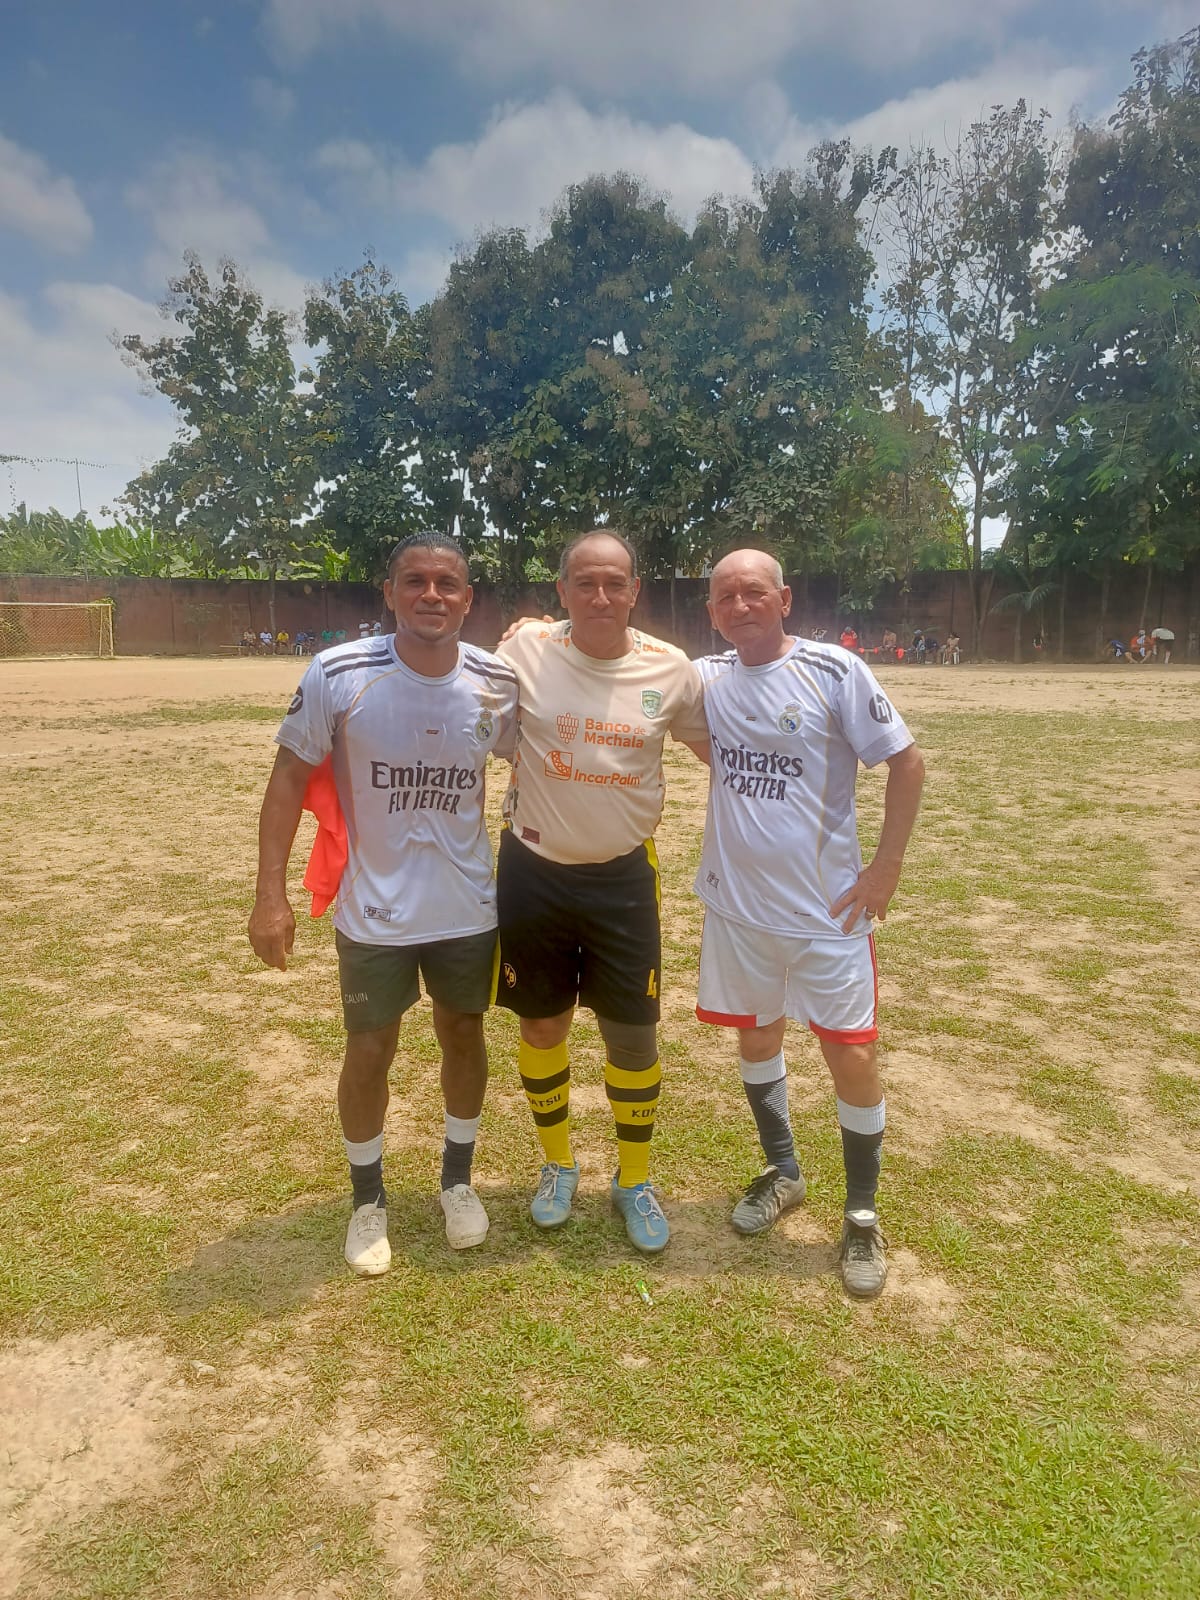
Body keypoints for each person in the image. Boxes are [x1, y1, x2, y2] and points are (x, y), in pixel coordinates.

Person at [248, 533, 518, 1275]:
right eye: (415, 581)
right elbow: (287, 779)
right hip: (373, 908)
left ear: (468, 598)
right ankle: (368, 1201)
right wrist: (270, 895)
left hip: (467, 905)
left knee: (463, 1034)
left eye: (447, 583)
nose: (432, 594)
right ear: (389, 592)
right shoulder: (340, 673)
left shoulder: (498, 681)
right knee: (370, 1049)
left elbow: (544, 751)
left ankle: (457, 1183)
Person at [691, 550, 925, 1299]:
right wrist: (542, 629)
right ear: (712, 611)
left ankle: (861, 1214)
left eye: (754, 592)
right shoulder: (705, 677)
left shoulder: (834, 670)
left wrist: (884, 868)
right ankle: (783, 1170)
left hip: (828, 914)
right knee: (757, 1037)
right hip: (739, 910)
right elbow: (628, 666)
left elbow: (907, 763)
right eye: (726, 596)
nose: (740, 605)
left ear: (784, 599)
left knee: (851, 1056)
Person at [495, 531, 707, 1254]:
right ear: (561, 591)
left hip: (623, 877)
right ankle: (558, 1165)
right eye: (584, 582)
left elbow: (717, 747)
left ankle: (634, 1180)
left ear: (635, 590)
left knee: (633, 1036)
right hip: (533, 872)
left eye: (615, 582)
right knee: (542, 1027)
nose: (601, 596)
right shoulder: (522, 651)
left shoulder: (671, 669)